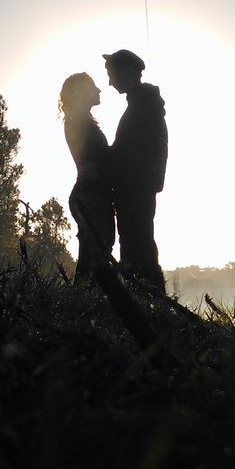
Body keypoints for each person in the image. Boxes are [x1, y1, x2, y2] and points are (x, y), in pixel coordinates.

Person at [103, 48, 167, 293]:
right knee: (137, 244)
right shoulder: (142, 104)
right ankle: (149, 299)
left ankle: (149, 300)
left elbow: (133, 154)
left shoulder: (143, 107)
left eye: (111, 73)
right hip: (136, 189)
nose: (109, 81)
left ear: (127, 72)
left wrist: (101, 155)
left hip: (135, 191)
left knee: (136, 246)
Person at [59, 72, 115, 282]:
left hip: (90, 193)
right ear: (82, 93)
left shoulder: (78, 121)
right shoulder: (78, 122)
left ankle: (84, 303)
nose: (99, 90)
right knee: (94, 257)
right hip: (91, 195)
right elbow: (94, 159)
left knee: (95, 253)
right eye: (93, 87)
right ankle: (83, 305)